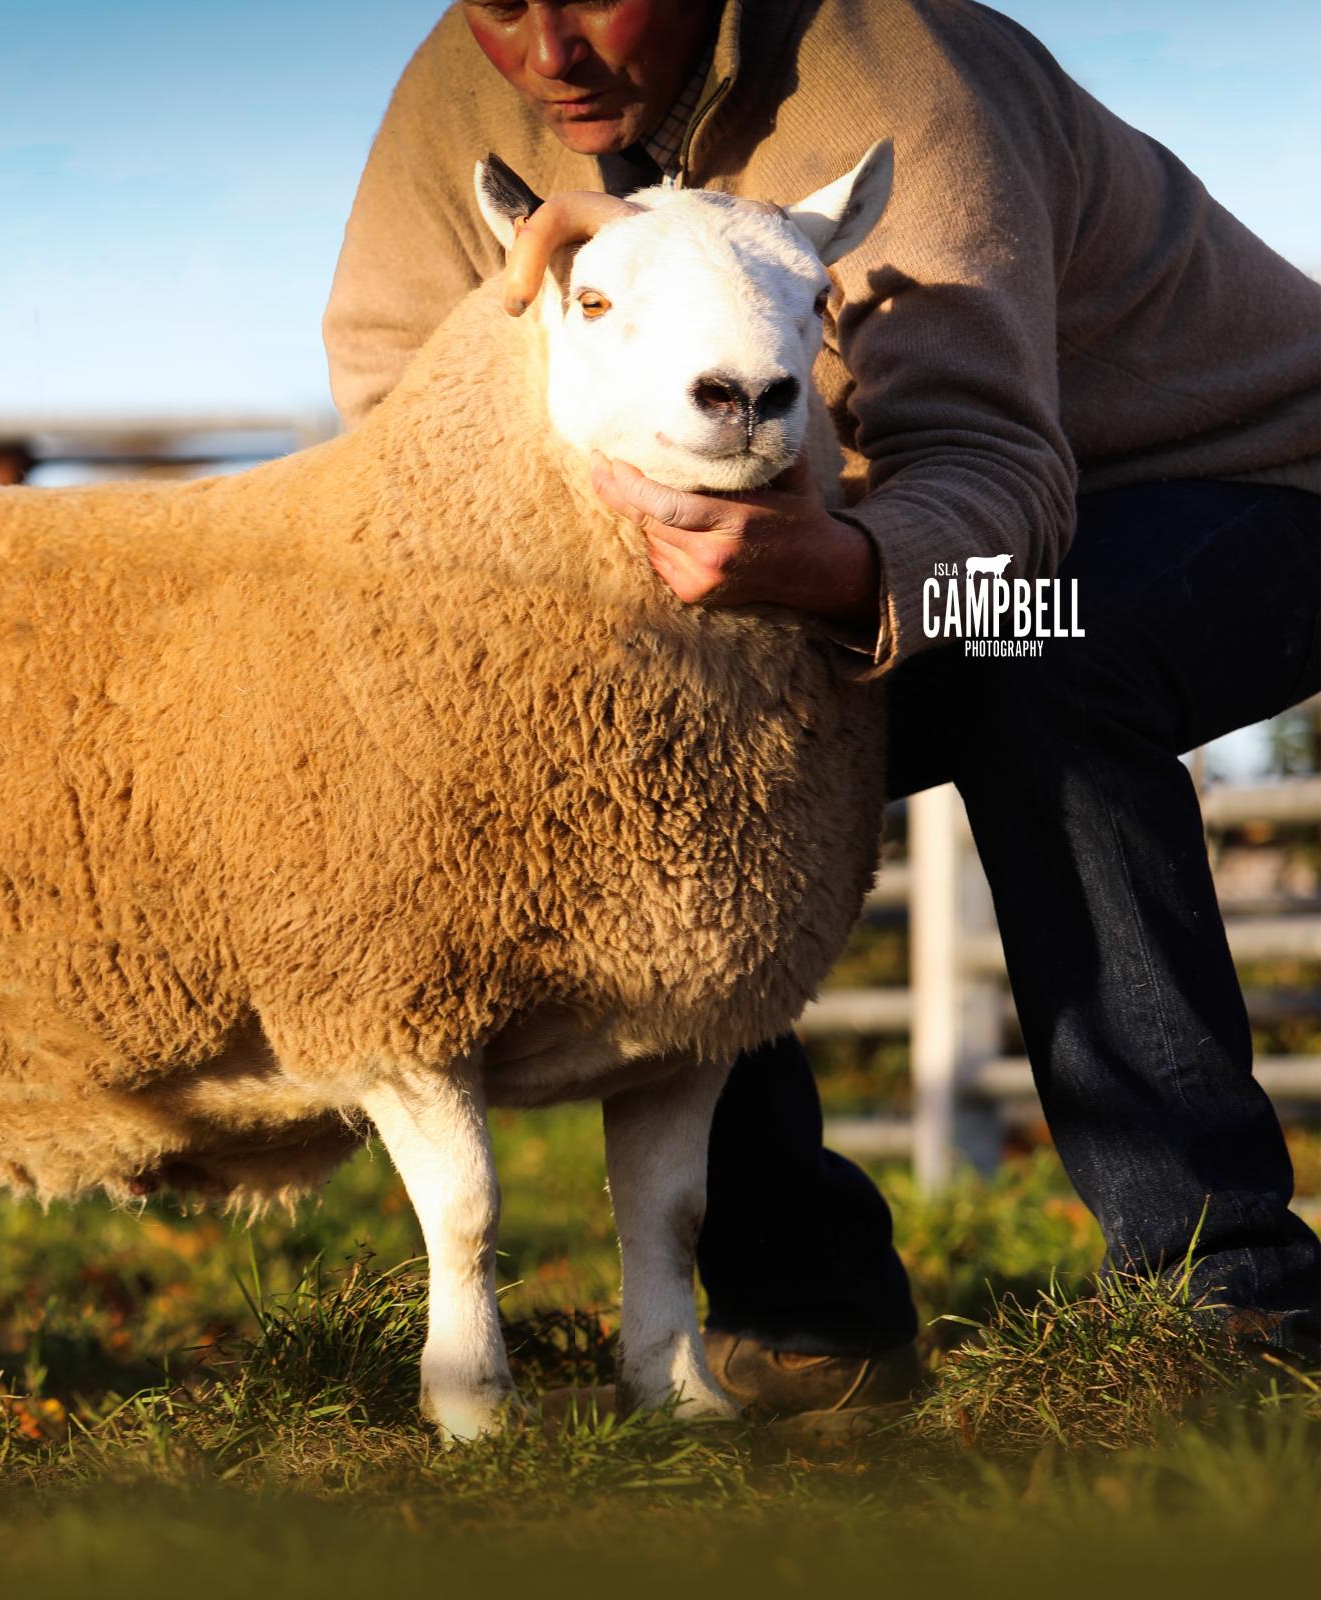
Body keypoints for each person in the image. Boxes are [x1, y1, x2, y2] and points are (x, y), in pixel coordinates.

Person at [324, 0, 1321, 1424]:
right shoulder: (461, 107)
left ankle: (1229, 1298)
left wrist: (850, 569)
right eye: (500, 7)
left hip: (1239, 482)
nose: (549, 53)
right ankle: (809, 1307)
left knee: (1037, 659)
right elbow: (398, 388)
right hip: (881, 514)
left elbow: (989, 457)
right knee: (664, 746)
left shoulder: (897, 78)